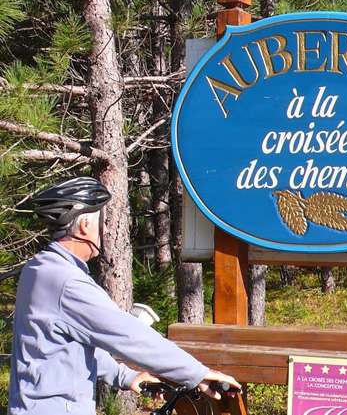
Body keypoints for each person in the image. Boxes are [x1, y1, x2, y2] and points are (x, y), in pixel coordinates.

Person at [8, 177, 240, 414]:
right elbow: (128, 334)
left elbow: (72, 346)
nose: (106, 229)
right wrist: (196, 373)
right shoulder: (65, 280)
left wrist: (125, 376)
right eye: (103, 220)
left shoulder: (39, 268)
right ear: (86, 225)